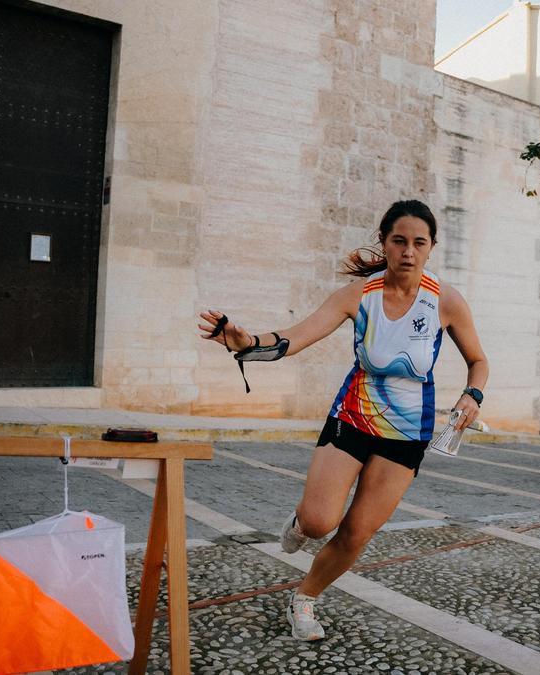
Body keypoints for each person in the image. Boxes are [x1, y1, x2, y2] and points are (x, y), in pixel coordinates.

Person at [197, 200, 489, 641]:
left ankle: (305, 598)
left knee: (356, 533)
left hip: (407, 433)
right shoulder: (359, 295)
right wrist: (248, 342)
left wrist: (473, 395)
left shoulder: (445, 301)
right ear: (384, 243)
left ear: (431, 247)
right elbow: (297, 336)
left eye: (419, 242)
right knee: (319, 522)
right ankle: (301, 523)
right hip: (352, 418)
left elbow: (478, 361)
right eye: (399, 241)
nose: (408, 251)